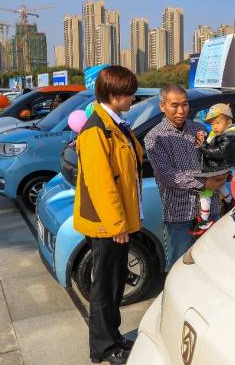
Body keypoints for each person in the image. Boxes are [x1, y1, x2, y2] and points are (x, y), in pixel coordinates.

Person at [72, 66, 142, 365]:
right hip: (107, 224)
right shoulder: (95, 130)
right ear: (114, 95)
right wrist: (117, 224)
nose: (133, 98)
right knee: (104, 287)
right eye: (129, 93)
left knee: (113, 284)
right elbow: (101, 184)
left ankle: (113, 338)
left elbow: (132, 158)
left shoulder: (115, 123)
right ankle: (103, 347)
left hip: (117, 221)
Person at [144, 85, 207, 267]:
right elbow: (167, 175)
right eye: (175, 105)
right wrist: (205, 182)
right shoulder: (155, 137)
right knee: (180, 264)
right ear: (162, 106)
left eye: (185, 105)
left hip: (208, 210)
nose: (181, 111)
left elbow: (213, 160)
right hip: (179, 213)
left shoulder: (199, 130)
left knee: (209, 262)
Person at [196, 103, 235, 228]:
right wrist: (205, 139)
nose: (214, 126)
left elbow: (219, 152)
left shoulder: (230, 136)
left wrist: (203, 146)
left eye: (217, 122)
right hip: (219, 168)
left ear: (228, 122)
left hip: (217, 168)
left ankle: (203, 221)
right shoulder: (222, 135)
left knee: (205, 193)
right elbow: (214, 144)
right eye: (212, 124)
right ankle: (229, 201)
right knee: (220, 185)